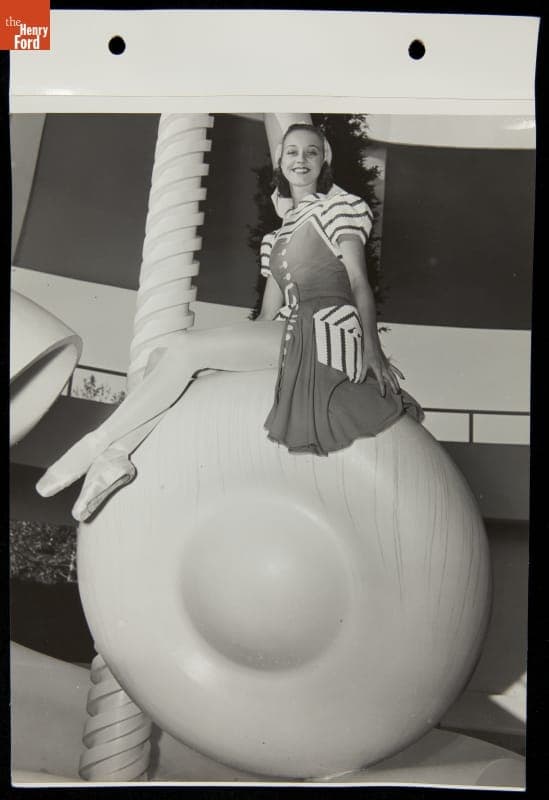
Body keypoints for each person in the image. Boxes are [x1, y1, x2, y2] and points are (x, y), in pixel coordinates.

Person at [36, 123, 422, 521]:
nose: (301, 160)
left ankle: (95, 445)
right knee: (161, 359)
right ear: (281, 161)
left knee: (186, 349)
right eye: (292, 152)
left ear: (325, 160)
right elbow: (268, 314)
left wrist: (373, 350)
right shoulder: (278, 235)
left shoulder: (342, 207)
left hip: (326, 331)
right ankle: (117, 456)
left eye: (311, 152)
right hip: (287, 331)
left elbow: (359, 280)